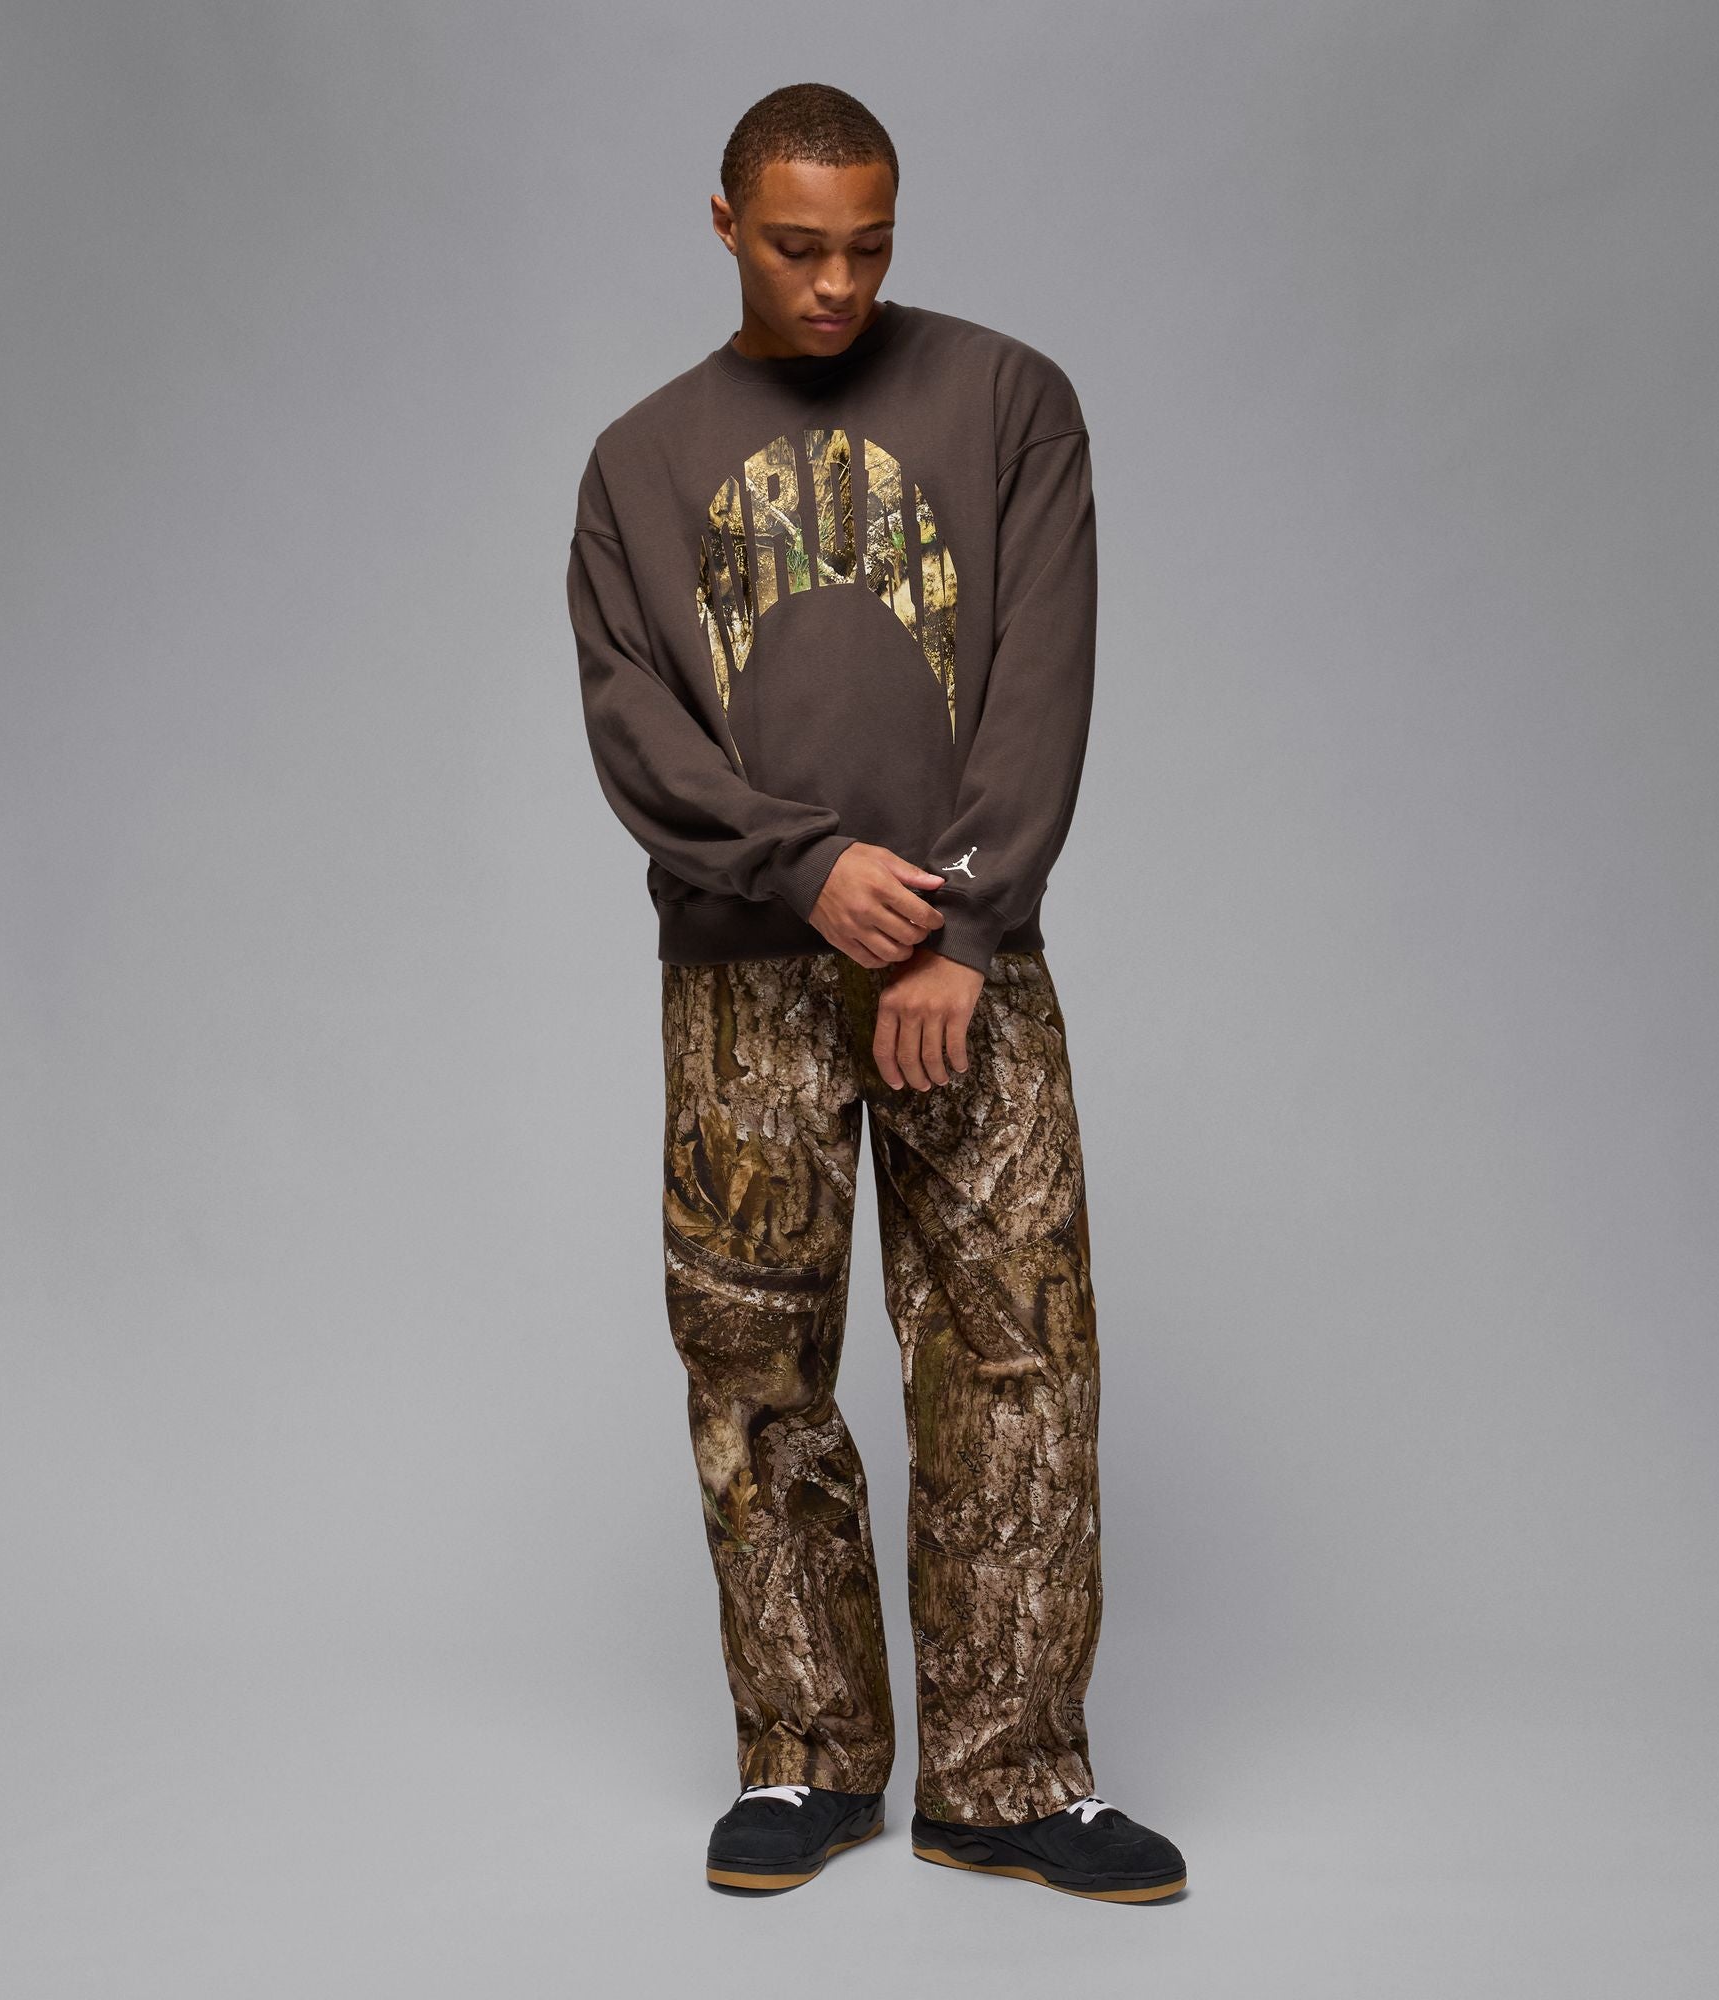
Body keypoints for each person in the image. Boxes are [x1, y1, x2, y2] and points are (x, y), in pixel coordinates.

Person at [564, 81, 1186, 1905]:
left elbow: (1044, 669)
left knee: (1018, 1357)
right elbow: (634, 723)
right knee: (754, 1363)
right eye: (797, 247)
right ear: (724, 224)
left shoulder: (1008, 401)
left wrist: (959, 926)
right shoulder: (638, 460)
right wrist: (805, 865)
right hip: (746, 972)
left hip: (962, 963)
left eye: (871, 246)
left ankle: (1012, 1776)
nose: (838, 284)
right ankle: (807, 1757)